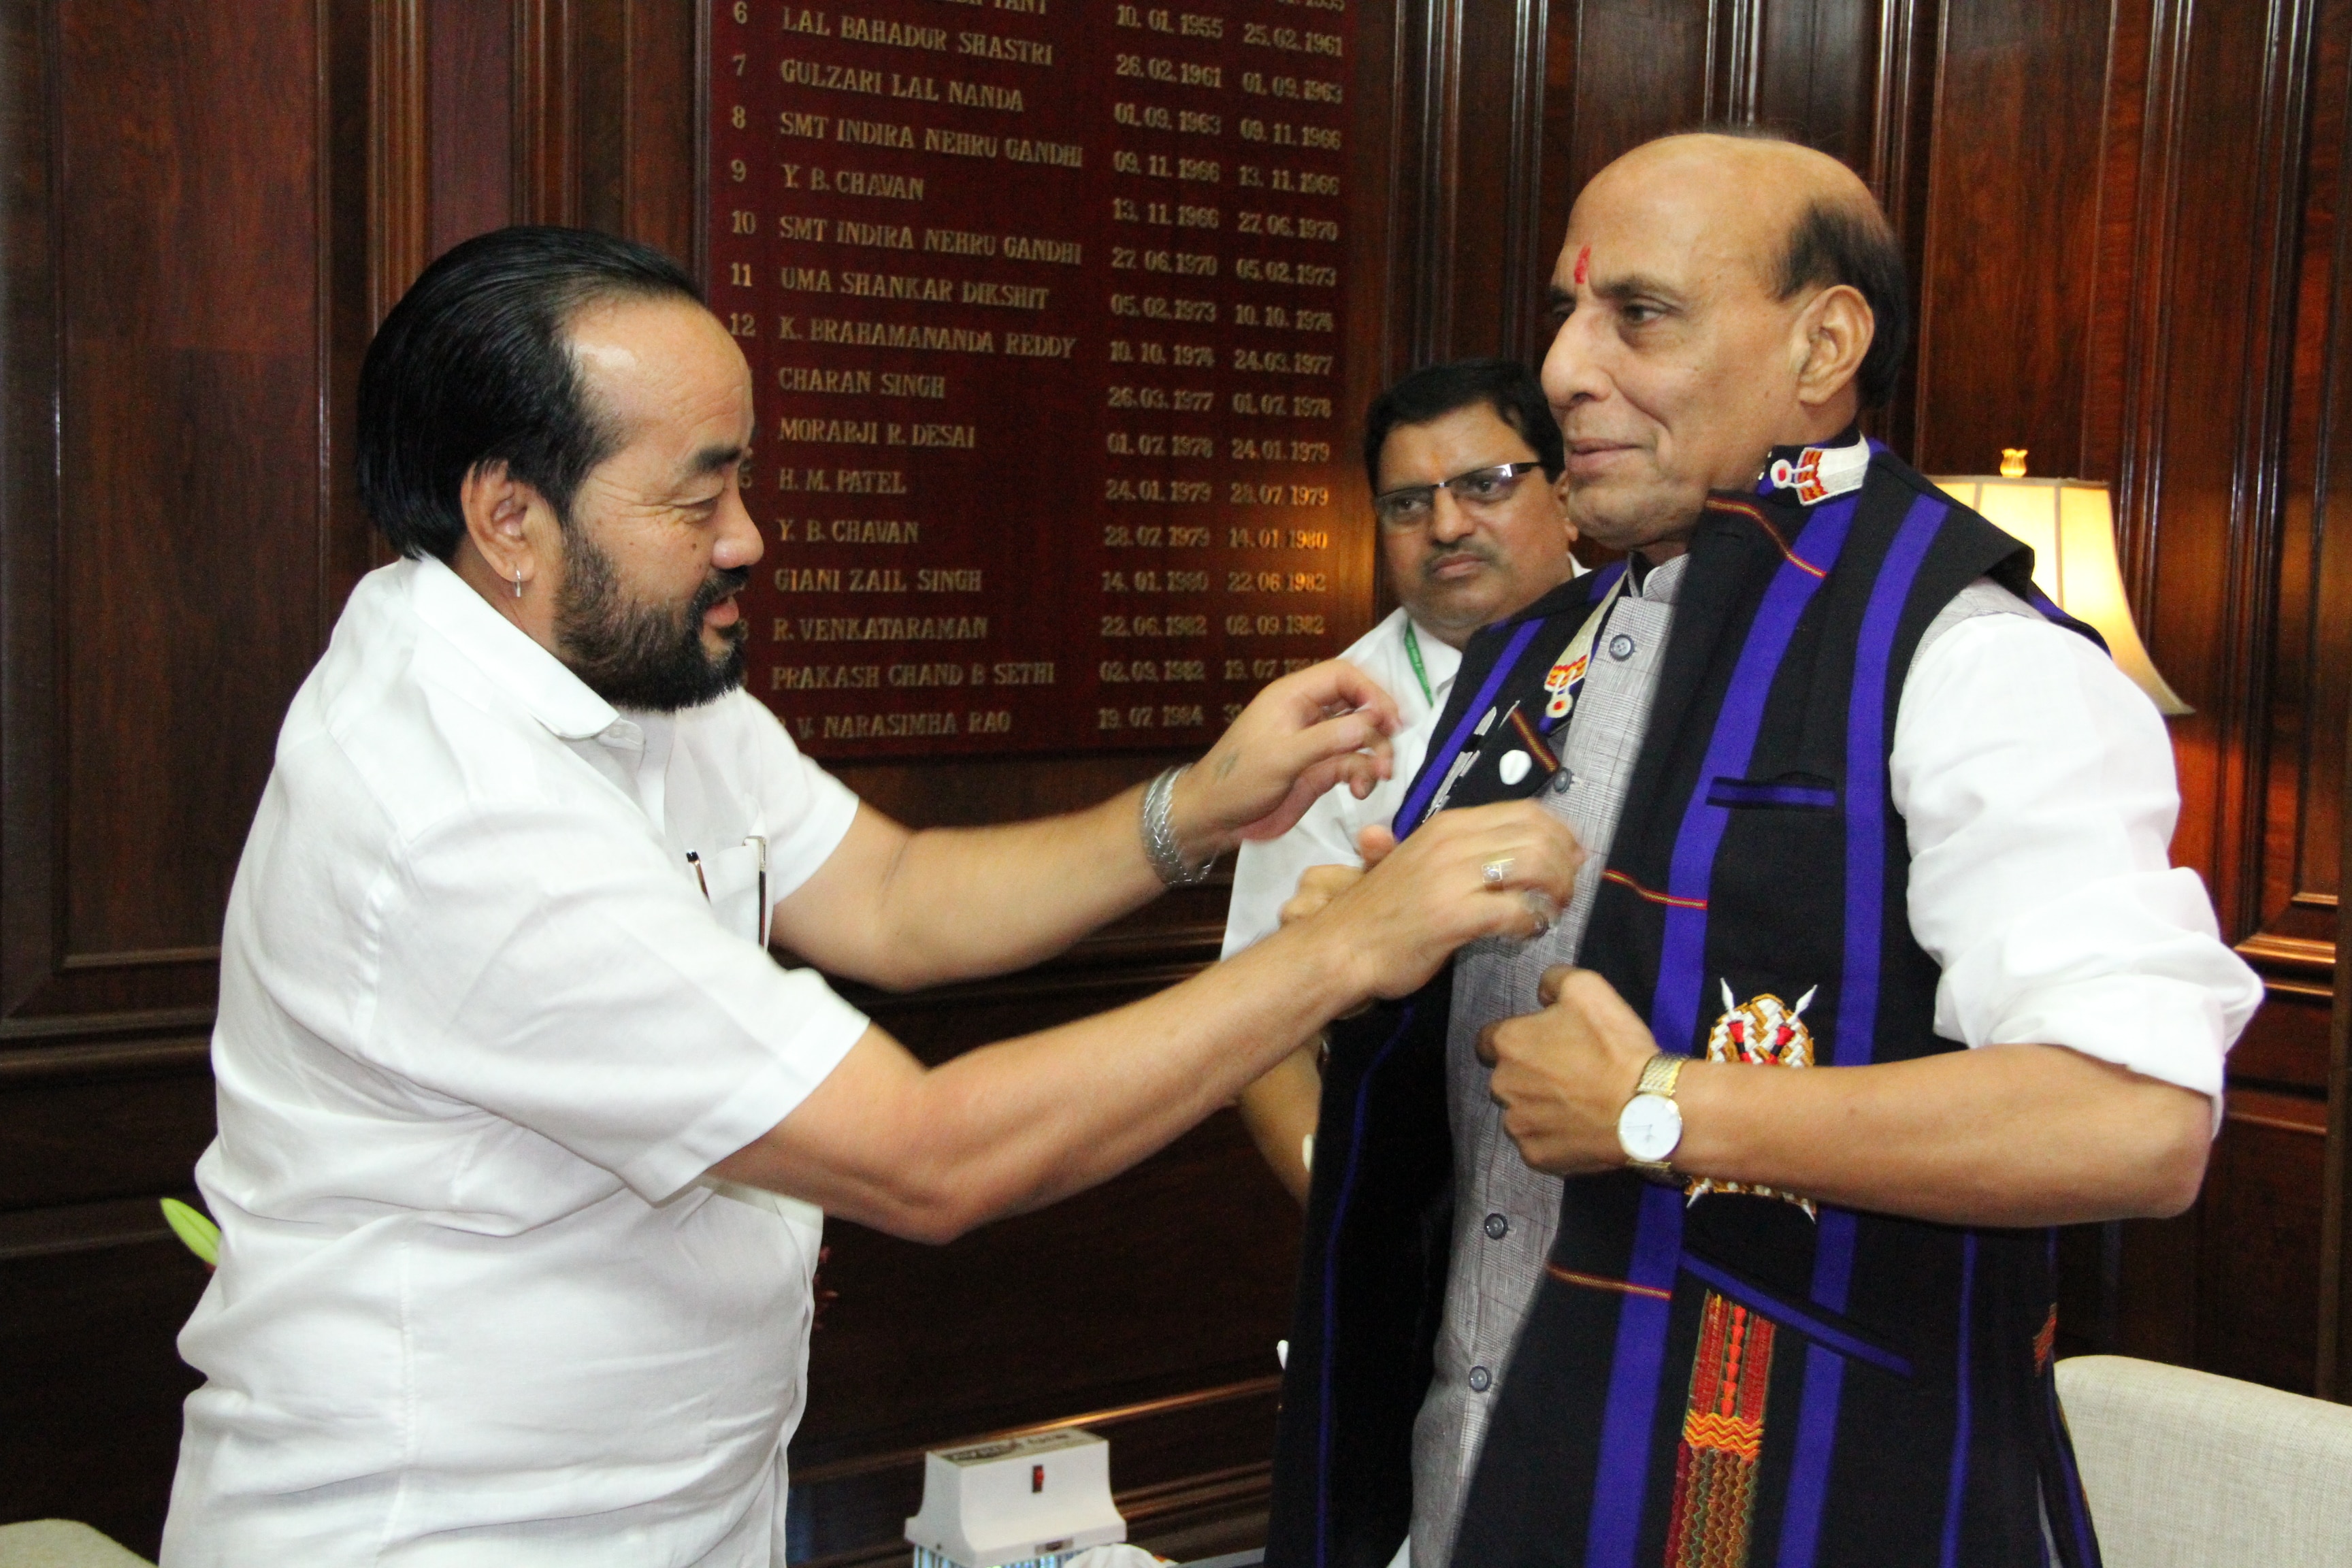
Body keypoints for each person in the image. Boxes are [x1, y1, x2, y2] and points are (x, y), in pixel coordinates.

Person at [158, 227, 1586, 1567]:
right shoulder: (452, 805)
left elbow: (894, 896)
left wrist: (1196, 808)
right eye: (698, 493)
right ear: (509, 517)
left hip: (679, 1507)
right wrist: (1345, 955)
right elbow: (928, 1155)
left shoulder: (618, 668)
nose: (748, 538)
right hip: (444, 1533)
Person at [1264, 133, 2263, 1568]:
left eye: (1640, 317)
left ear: (1825, 341)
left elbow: (2137, 1120)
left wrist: (1663, 1108)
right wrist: (1370, 961)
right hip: (1477, 1496)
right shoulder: (1533, 649)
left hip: (1803, 1501)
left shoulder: (1975, 663)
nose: (1562, 369)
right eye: (1565, 311)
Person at [1224, 358, 1580, 1202]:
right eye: (1409, 504)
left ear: (1566, 496)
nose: (1447, 524)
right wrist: (1356, 1227)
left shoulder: (1663, 652)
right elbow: (1257, 1026)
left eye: (1486, 485)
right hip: (1429, 1179)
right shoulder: (1327, 723)